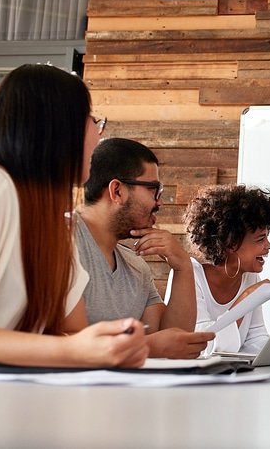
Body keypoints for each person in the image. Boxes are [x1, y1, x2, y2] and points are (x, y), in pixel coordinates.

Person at [0, 64, 147, 367]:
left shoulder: (53, 220)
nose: (98, 136)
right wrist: (74, 351)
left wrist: (109, 346)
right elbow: (68, 344)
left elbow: (70, 330)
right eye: (93, 121)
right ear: (56, 127)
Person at [75, 138, 214, 359]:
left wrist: (183, 267)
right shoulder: (62, 243)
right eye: (154, 190)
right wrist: (147, 346)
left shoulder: (136, 267)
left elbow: (172, 342)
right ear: (117, 191)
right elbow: (63, 341)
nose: (160, 203)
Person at [174, 184, 270, 354]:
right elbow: (203, 348)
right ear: (231, 243)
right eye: (260, 239)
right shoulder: (189, 275)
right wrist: (248, 298)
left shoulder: (250, 278)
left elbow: (255, 340)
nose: (269, 246)